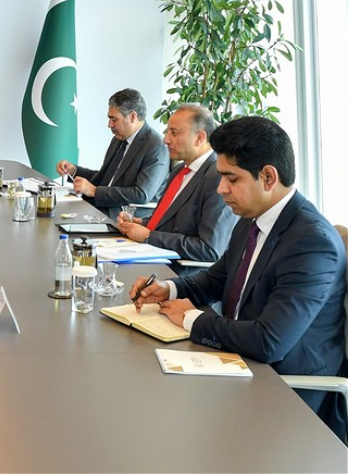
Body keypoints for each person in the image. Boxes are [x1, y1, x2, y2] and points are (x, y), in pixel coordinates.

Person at [131, 116, 347, 441]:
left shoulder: (312, 243)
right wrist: (169, 288)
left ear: (268, 177)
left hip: (288, 394)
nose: (221, 189)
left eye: (231, 178)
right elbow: (217, 278)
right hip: (240, 364)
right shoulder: (252, 218)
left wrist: (191, 318)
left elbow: (269, 342)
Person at [116, 104, 238, 263]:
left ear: (199, 138)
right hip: (152, 255)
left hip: (179, 270)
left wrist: (148, 236)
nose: (166, 139)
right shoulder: (179, 170)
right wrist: (143, 223)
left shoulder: (218, 177)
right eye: (167, 132)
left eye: (174, 132)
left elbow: (209, 249)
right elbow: (171, 221)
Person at [55, 88, 168, 219]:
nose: (109, 125)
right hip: (101, 205)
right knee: (53, 208)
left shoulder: (156, 147)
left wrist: (94, 191)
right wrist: (74, 171)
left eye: (114, 120)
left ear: (133, 117)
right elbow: (106, 179)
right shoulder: (119, 139)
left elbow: (141, 194)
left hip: (123, 214)